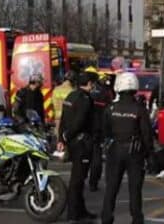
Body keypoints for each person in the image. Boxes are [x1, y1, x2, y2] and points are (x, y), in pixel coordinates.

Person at [101, 72, 154, 224]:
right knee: (135, 189)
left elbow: (105, 131)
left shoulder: (111, 108)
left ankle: (106, 218)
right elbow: (146, 134)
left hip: (115, 150)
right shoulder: (139, 109)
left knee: (111, 187)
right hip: (135, 152)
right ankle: (137, 219)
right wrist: (149, 154)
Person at [58, 72, 97, 222]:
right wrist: (68, 135)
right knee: (78, 180)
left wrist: (62, 137)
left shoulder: (71, 96)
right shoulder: (85, 99)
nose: (94, 86)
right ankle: (73, 215)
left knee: (78, 178)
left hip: (72, 142)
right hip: (81, 142)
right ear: (89, 83)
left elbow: (63, 118)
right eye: (93, 83)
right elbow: (80, 121)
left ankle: (81, 211)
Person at [86, 67, 113, 192]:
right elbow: (110, 111)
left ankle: (85, 182)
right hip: (98, 129)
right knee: (96, 160)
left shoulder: (88, 92)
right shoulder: (106, 92)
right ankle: (93, 183)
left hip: (87, 130)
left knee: (84, 159)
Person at [52, 70, 77, 146]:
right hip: (68, 120)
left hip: (57, 119)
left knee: (59, 142)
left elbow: (52, 103)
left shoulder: (56, 90)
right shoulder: (72, 91)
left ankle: (59, 155)